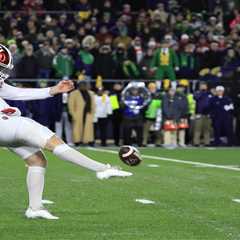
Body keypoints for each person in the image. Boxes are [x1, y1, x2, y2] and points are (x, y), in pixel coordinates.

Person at [0, 44, 132, 220]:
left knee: (37, 160)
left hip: (6, 127)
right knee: (51, 140)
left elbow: (14, 92)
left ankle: (35, 207)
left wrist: (52, 91)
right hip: (6, 123)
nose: (3, 73)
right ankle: (102, 169)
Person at [193, 82, 212, 146]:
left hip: (208, 113)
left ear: (206, 86)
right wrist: (202, 92)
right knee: (197, 129)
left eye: (204, 85)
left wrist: (210, 112)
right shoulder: (197, 92)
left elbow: (211, 103)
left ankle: (207, 142)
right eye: (202, 86)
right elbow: (196, 98)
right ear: (200, 87)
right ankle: (196, 142)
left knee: (207, 129)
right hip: (199, 113)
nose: (203, 87)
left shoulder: (209, 93)